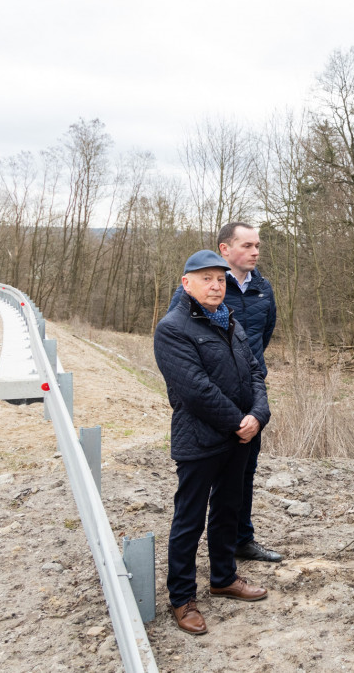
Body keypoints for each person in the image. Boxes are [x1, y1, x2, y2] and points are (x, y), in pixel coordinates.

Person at [154, 250, 271, 635]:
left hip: (239, 438)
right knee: (189, 519)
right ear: (186, 283)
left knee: (227, 509)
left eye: (220, 279)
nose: (216, 285)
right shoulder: (172, 329)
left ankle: (223, 578)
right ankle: (182, 598)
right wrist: (239, 421)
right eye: (206, 278)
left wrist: (258, 414)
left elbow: (254, 372)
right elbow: (195, 390)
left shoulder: (230, 323)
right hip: (201, 440)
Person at [168, 222, 280, 563]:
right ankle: (195, 569)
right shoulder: (199, 288)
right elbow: (178, 349)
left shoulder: (263, 289)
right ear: (225, 249)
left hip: (249, 401)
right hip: (208, 408)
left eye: (257, 245)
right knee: (200, 489)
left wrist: (255, 406)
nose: (255, 251)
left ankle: (240, 541)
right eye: (246, 245)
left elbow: (260, 340)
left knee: (243, 476)